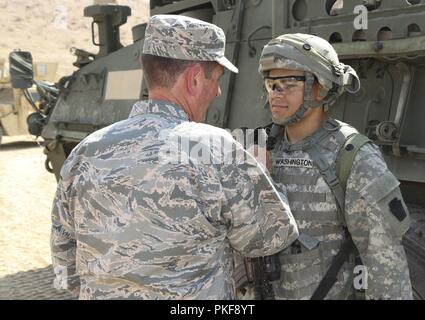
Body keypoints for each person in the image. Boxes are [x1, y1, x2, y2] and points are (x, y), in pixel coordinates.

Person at [50, 15, 298, 300]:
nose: (217, 90)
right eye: (216, 78)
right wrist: (262, 173)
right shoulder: (215, 148)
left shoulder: (85, 152)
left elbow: (65, 265)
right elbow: (270, 237)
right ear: (194, 78)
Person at [236, 33, 413, 300]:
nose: (276, 94)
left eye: (288, 83)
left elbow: (386, 269)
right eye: (271, 84)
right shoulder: (257, 149)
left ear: (320, 87)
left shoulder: (353, 158)